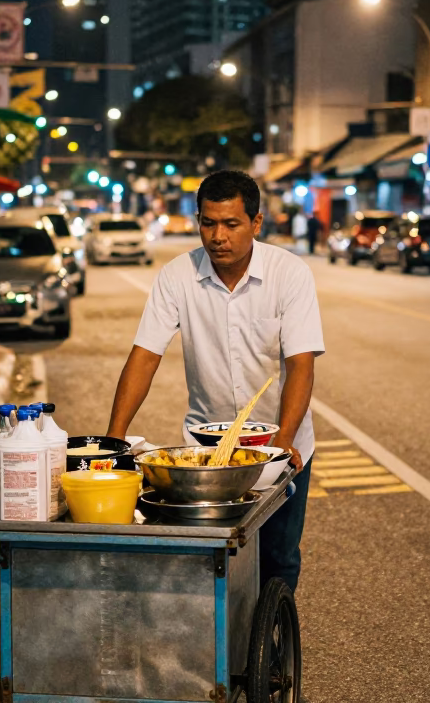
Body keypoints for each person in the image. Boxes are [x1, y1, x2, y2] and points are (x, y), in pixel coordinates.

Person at [107, 170, 325, 592]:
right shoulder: (176, 276)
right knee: (214, 555)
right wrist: (114, 441)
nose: (217, 236)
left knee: (278, 556)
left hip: (278, 444)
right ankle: (226, 649)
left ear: (256, 223)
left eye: (231, 224)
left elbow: (301, 364)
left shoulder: (289, 274)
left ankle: (271, 647)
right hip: (208, 450)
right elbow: (145, 356)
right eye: (208, 223)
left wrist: (283, 441)